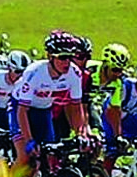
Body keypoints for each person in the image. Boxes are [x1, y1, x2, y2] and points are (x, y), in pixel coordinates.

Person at [11, 31, 90, 167]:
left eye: (70, 57)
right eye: (62, 57)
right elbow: (22, 111)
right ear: (50, 57)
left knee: (51, 159)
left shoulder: (75, 73)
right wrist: (29, 140)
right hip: (20, 109)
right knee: (25, 156)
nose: (67, 62)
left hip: (44, 111)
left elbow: (76, 108)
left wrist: (80, 134)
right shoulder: (34, 73)